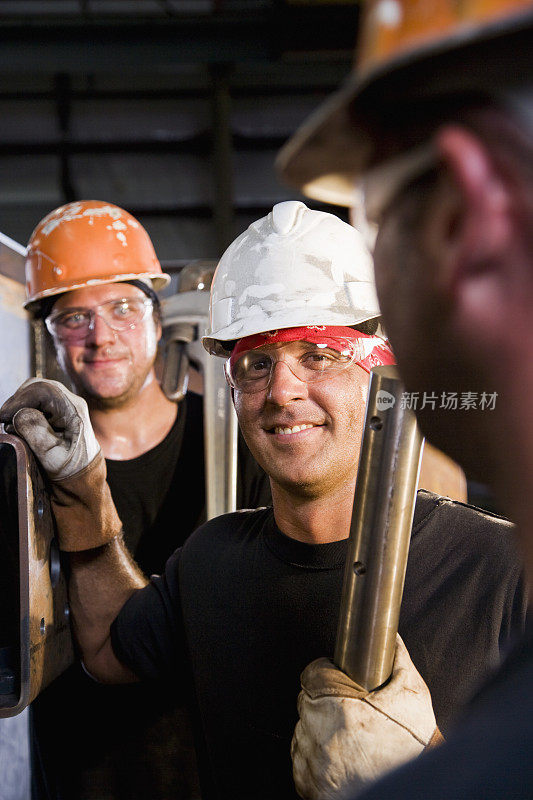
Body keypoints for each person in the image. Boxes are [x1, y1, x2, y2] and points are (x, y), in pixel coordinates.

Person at [0, 201, 528, 800]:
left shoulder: (504, 571)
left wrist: (424, 768)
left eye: (319, 355)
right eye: (256, 364)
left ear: (382, 371)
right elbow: (106, 648)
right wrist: (82, 483)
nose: (282, 391)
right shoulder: (211, 563)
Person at [277, 2, 533, 798]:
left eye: (370, 213)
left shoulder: (488, 566)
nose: (284, 388)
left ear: (461, 215)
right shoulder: (211, 564)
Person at [21, 200, 270, 800]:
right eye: (74, 317)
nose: (100, 336)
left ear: (159, 321)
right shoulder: (26, 473)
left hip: (213, 769)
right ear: (50, 336)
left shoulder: (237, 450)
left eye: (122, 308)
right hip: (78, 773)